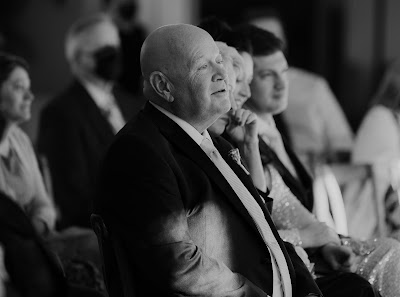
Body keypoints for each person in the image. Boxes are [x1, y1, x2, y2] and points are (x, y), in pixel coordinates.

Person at [95, 23, 323, 297]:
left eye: (218, 61)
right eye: (203, 66)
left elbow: (263, 231)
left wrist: (306, 289)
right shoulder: (139, 152)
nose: (222, 74)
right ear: (163, 85)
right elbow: (179, 264)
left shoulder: (215, 141)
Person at [201, 18, 382, 297]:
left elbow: (279, 204)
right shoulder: (221, 143)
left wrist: (323, 242)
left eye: (283, 72)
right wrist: (308, 239)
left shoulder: (265, 130)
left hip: (298, 256)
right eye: (244, 80)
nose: (244, 93)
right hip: (271, 270)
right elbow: (239, 235)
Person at [37, 13, 146, 229]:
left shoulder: (131, 102)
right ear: (77, 59)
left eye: (116, 47)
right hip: (105, 232)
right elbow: (73, 199)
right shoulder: (60, 114)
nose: (114, 55)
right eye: (104, 51)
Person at [246, 8, 354, 168]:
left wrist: (320, 161)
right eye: (260, 38)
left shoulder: (314, 86)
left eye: (274, 36)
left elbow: (344, 145)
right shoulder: (241, 94)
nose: (268, 44)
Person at [0, 52, 56, 236]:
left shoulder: (21, 140)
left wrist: (34, 229)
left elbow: (45, 206)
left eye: (29, 87)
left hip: (33, 245)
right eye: (18, 87)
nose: (30, 96)